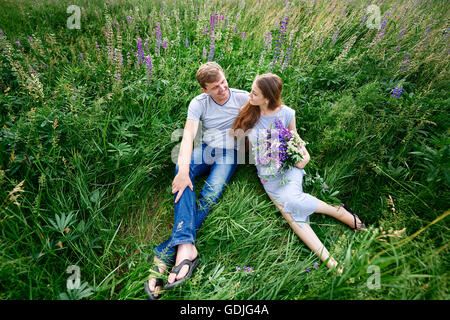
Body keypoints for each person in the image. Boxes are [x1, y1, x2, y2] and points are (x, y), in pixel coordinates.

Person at [232, 73, 366, 272]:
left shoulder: (286, 114)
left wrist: (305, 156)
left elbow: (296, 140)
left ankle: (338, 223)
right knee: (291, 212)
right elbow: (241, 145)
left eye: (254, 93)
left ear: (267, 98)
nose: (249, 94)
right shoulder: (248, 112)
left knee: (291, 205)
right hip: (268, 174)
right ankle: (334, 253)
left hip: (288, 169)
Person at [144, 62, 249, 299]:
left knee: (210, 194)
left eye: (223, 82)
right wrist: (182, 171)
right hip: (208, 148)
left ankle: (166, 251)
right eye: (215, 87)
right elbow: (188, 136)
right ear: (205, 90)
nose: (222, 89)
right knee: (182, 172)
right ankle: (186, 249)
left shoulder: (242, 98)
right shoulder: (198, 103)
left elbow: (272, 109)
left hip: (230, 154)